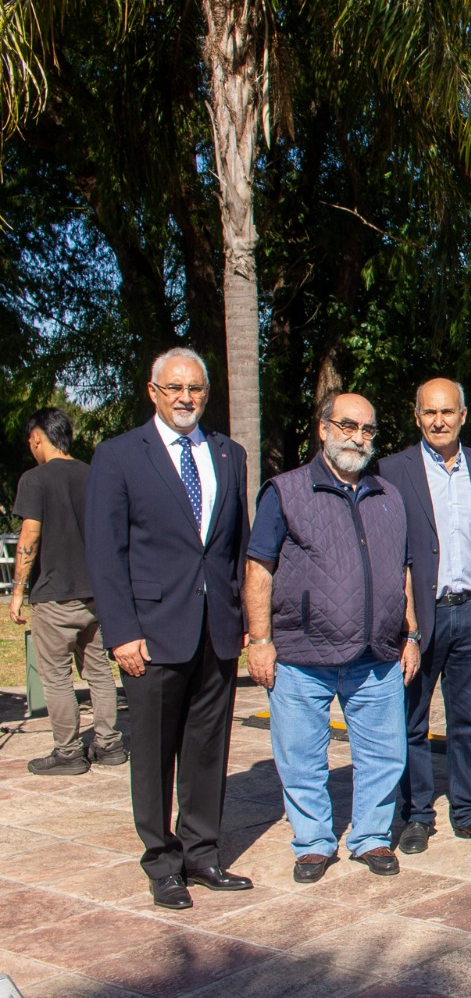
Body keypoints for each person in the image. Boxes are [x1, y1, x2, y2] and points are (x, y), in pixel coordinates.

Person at [85, 348, 253, 911]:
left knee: (208, 747)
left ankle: (203, 852)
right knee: (155, 752)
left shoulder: (230, 455)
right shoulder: (118, 457)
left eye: (196, 389)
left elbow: (233, 547)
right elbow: (106, 554)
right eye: (175, 388)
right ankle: (162, 861)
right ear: (153, 391)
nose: (187, 398)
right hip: (151, 633)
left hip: (217, 630)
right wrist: (121, 632)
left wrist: (245, 620)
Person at [244, 392, 421, 884]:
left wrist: (411, 634)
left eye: (367, 430)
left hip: (377, 654)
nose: (357, 438)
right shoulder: (285, 491)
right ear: (322, 428)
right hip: (302, 654)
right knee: (301, 756)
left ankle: (371, 837)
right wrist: (259, 641)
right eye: (347, 426)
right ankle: (314, 842)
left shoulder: (389, 496)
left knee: (385, 755)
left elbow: (402, 571)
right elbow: (259, 569)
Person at [375, 379, 471, 854]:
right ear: (417, 416)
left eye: (447, 412)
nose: (439, 421)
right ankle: (417, 815)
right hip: (421, 615)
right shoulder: (392, 469)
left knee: (467, 720)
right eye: (429, 412)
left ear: (463, 415)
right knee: (412, 719)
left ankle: (469, 810)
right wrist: (406, 623)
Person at [11, 409, 125, 775]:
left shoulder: (35, 479)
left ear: (37, 438)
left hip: (54, 595)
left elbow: (30, 535)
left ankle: (68, 752)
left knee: (57, 676)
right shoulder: (94, 475)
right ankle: (108, 745)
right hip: (96, 595)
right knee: (99, 672)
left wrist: (16, 591)